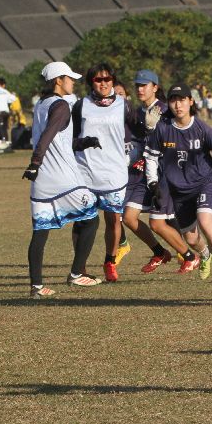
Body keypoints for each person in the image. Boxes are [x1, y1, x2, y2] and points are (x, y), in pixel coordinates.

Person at [145, 83, 212, 284]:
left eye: (182, 100)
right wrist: (153, 183)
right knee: (191, 239)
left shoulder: (202, 129)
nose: (178, 105)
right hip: (178, 190)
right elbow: (150, 157)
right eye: (173, 101)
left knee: (205, 221)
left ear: (191, 101)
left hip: (204, 184)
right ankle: (205, 254)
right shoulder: (163, 129)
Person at [23, 61, 102, 297]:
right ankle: (76, 274)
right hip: (63, 179)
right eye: (70, 78)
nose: (73, 82)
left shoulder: (41, 104)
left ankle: (37, 287)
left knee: (40, 232)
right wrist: (34, 163)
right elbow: (47, 137)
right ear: (59, 80)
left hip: (42, 182)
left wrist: (84, 142)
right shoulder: (61, 106)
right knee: (91, 218)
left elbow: (58, 140)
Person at [121, 69, 200, 274]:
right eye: (137, 85)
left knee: (159, 223)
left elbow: (175, 139)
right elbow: (139, 143)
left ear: (155, 87)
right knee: (128, 217)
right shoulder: (138, 112)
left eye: (144, 85)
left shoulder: (166, 110)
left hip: (164, 174)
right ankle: (159, 252)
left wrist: (152, 130)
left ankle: (190, 256)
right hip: (144, 173)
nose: (140, 89)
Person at [72, 63, 131, 283]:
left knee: (113, 220)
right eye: (98, 79)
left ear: (113, 81)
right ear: (91, 82)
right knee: (82, 221)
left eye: (107, 79)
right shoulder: (81, 106)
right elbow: (71, 138)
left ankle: (110, 261)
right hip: (85, 174)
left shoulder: (124, 105)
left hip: (114, 174)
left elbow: (137, 131)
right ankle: (80, 267)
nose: (103, 83)